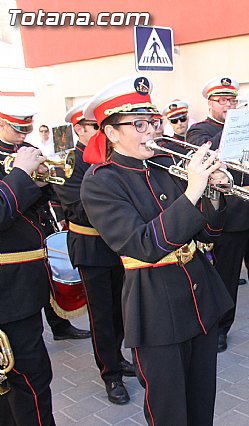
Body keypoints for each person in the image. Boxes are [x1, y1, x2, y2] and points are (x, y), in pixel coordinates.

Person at [79, 75, 233, 425]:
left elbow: (211, 231)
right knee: (169, 411)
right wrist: (194, 191)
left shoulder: (165, 164)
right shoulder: (101, 181)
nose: (151, 130)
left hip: (200, 294)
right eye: (139, 124)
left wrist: (215, 190)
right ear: (112, 133)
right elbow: (144, 245)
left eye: (153, 121)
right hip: (155, 307)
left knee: (201, 402)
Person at [187, 76, 249, 353]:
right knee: (227, 274)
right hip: (230, 213)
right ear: (210, 103)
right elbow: (205, 156)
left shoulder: (248, 128)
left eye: (232, 100)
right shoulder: (199, 130)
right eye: (222, 101)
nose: (228, 105)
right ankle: (221, 326)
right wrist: (233, 126)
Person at [53, 103, 134, 405]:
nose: (100, 131)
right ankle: (110, 374)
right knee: (101, 315)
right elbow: (79, 208)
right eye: (93, 126)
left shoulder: (112, 159)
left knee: (121, 310)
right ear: (80, 128)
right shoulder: (71, 163)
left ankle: (118, 356)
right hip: (92, 248)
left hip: (119, 246)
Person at [0, 100, 55, 425]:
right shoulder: (16, 160)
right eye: (17, 128)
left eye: (26, 128)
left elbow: (26, 209)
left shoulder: (20, 152)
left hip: (22, 284)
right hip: (8, 291)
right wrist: (21, 172)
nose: (23, 135)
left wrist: (41, 181)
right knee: (29, 377)